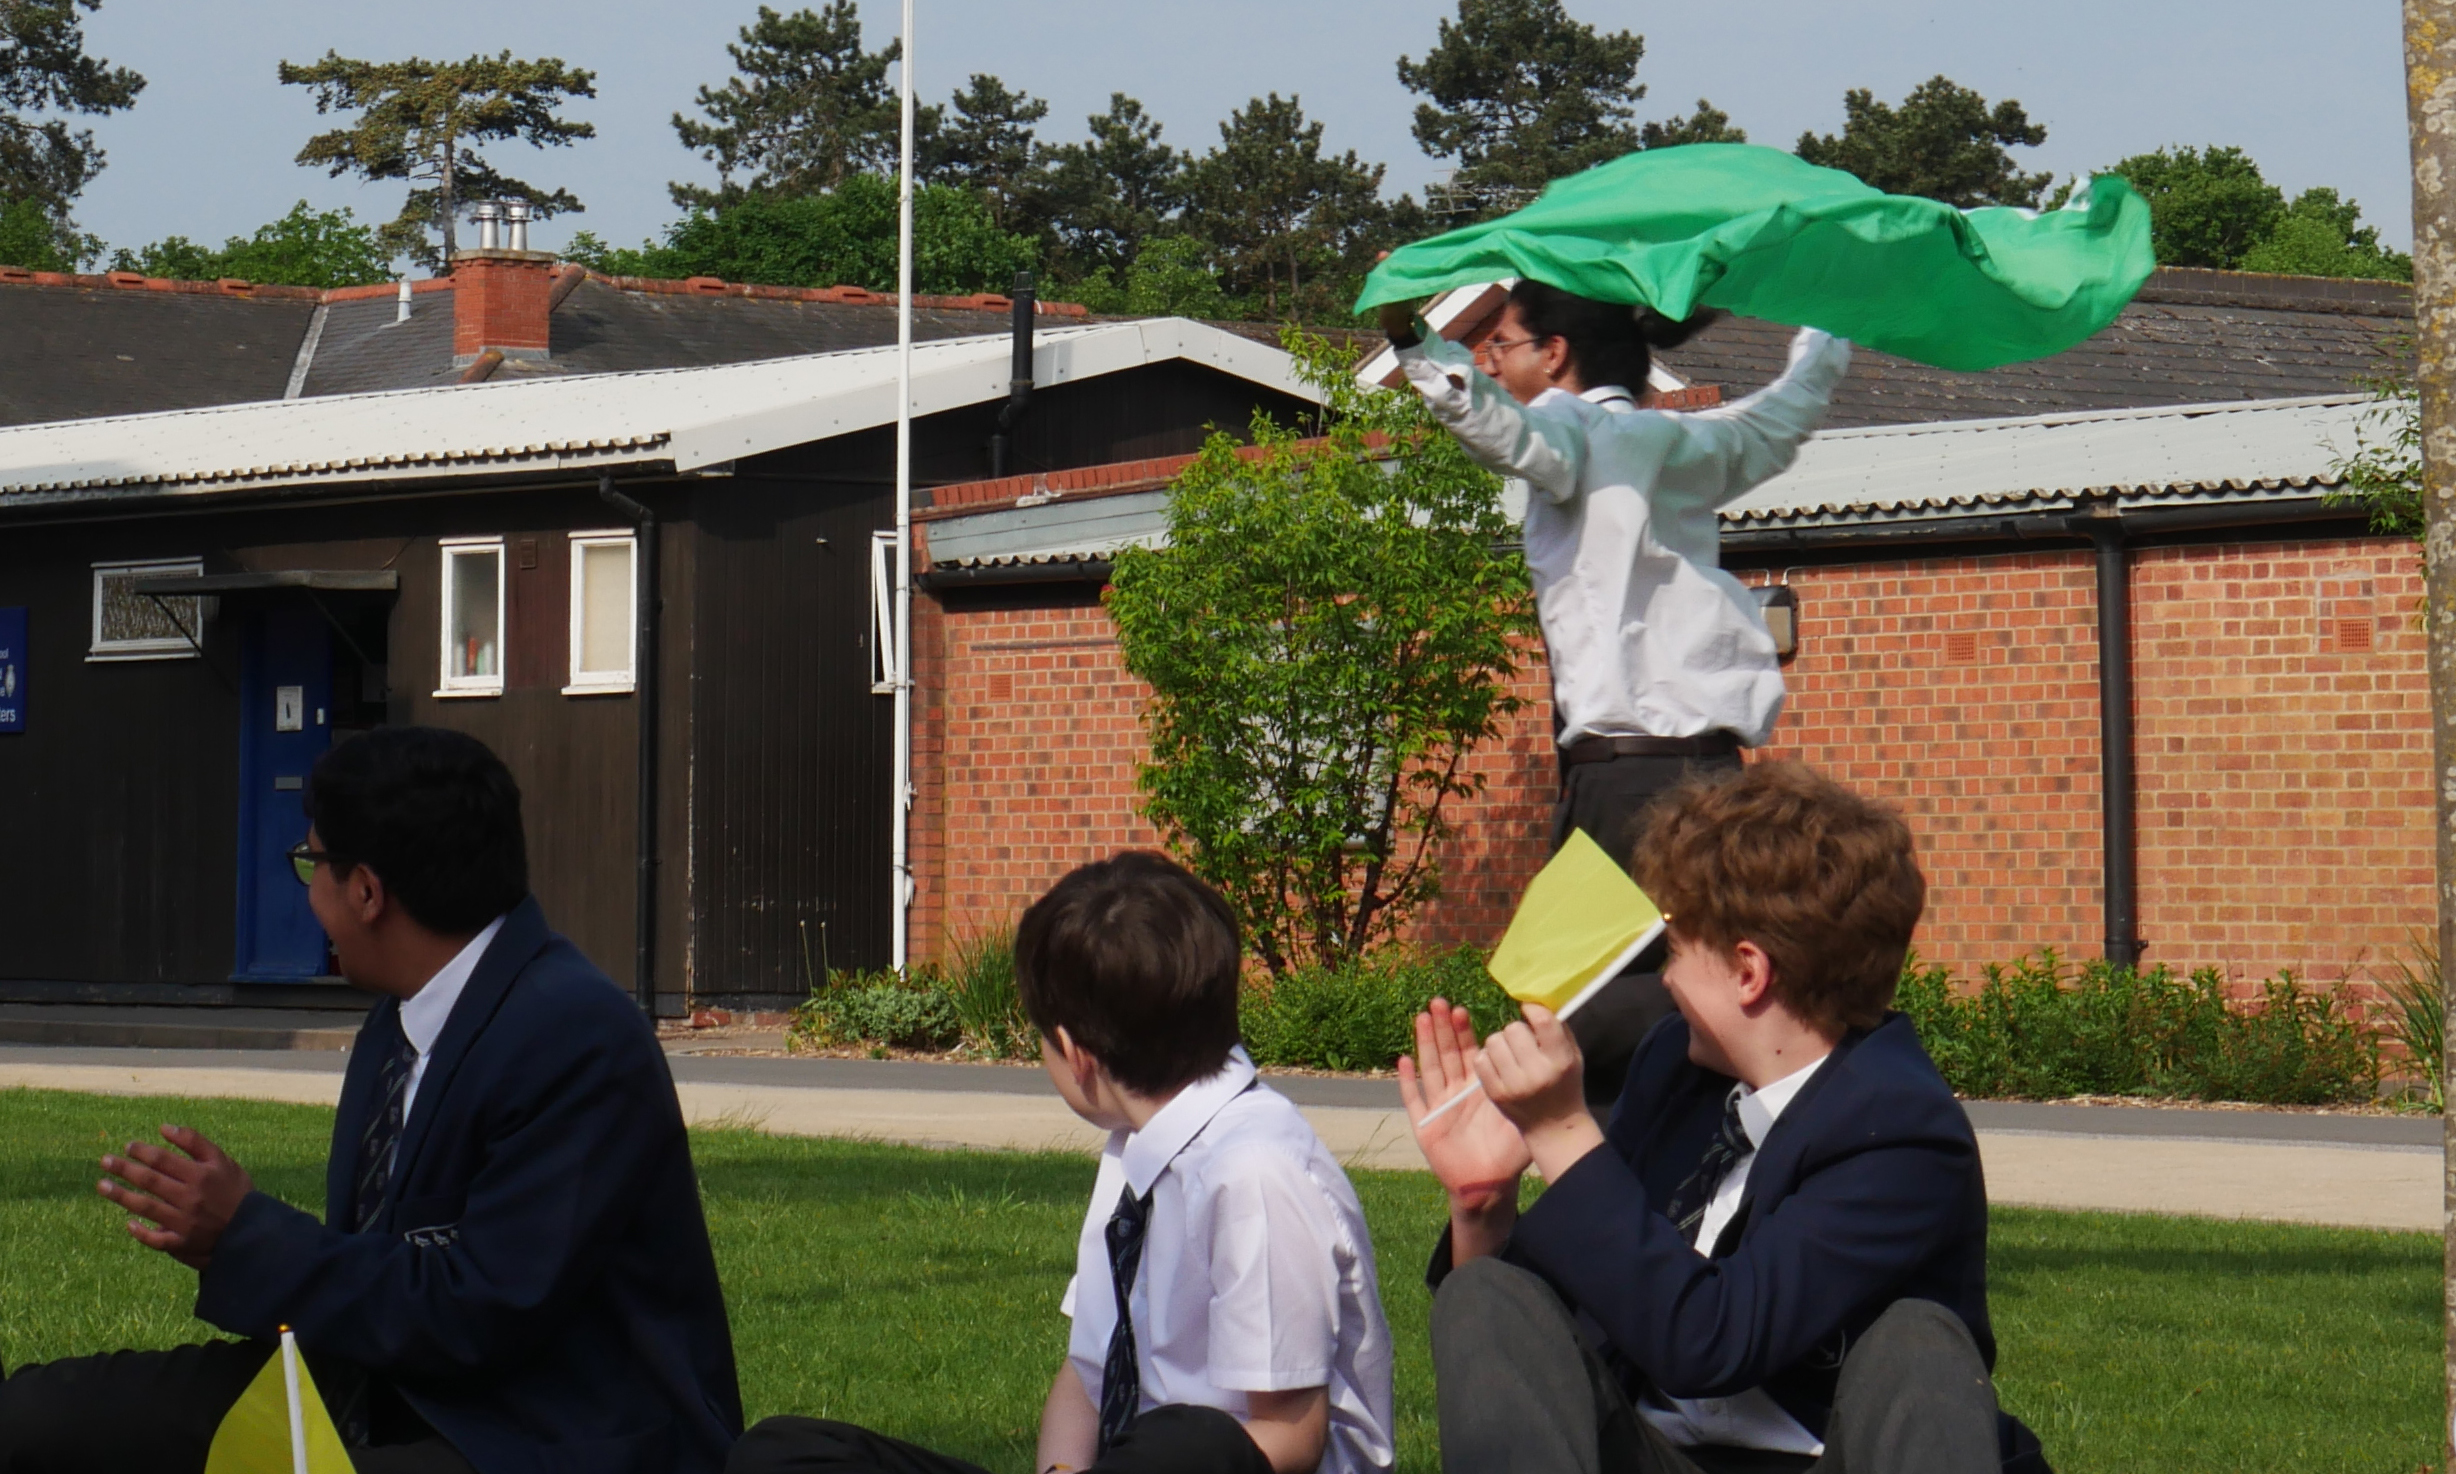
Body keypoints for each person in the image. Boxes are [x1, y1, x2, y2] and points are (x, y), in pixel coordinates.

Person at [0, 726, 743, 1474]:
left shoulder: (574, 1036)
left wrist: (248, 1237)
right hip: (380, 1382)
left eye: (310, 864)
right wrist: (232, 1247)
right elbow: (386, 1282)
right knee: (36, 1421)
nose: (309, 895)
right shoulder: (400, 1018)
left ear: (365, 890)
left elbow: (482, 1313)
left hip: (543, 1428)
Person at [1397, 763, 2048, 1474]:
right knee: (1486, 1293)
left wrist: (1561, 1132)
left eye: (1675, 947)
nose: (1665, 976)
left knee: (1916, 1342)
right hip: (1659, 1454)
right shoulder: (1673, 1067)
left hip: (1825, 1459)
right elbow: (1554, 1330)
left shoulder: (1899, 1132)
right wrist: (1483, 1206)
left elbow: (1710, 1342)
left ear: (1748, 971)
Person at [729, 851, 1395, 1474]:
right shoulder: (1135, 1146)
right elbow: (1087, 1373)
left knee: (1186, 1439)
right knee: (782, 1455)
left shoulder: (1255, 1174)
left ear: (1077, 1056)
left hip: (1205, 1463)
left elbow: (1290, 1434)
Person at [1377, 285, 1851, 1099]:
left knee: (1570, 1007)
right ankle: (1731, 1104)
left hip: (1625, 780)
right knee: (1696, 982)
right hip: (1715, 774)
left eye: (1502, 346)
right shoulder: (1684, 439)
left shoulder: (1570, 427)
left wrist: (1413, 339)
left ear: (1555, 354)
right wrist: (1833, 317)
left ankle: (1620, 1148)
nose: (1494, 363)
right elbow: (1786, 412)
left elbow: (1502, 426)